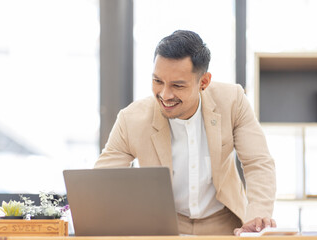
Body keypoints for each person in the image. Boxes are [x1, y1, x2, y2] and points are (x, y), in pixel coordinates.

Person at [95, 30, 276, 236]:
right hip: (163, 225)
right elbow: (104, 180)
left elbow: (257, 162)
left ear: (204, 82)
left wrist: (258, 215)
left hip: (225, 222)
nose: (164, 94)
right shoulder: (131, 119)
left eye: (177, 85)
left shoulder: (233, 101)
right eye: (158, 81)